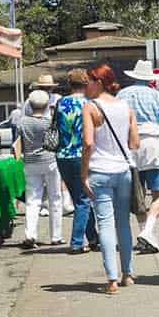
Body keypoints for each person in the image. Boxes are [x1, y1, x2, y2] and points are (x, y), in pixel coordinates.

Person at [81, 64, 140, 294]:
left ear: (99, 82)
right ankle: (127, 273)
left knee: (104, 223)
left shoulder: (91, 107)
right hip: (122, 170)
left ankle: (111, 279)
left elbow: (88, 143)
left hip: (100, 170)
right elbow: (134, 143)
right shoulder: (126, 107)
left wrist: (83, 173)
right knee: (123, 222)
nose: (86, 85)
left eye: (89, 81)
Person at [119, 60, 159, 253]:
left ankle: (143, 231)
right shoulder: (158, 96)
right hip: (154, 143)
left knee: (137, 194)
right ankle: (148, 231)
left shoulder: (122, 94)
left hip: (130, 144)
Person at [54, 69, 99, 254]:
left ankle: (93, 237)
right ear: (86, 83)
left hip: (62, 155)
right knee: (83, 200)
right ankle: (76, 241)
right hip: (82, 154)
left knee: (79, 198)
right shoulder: (89, 104)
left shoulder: (59, 103)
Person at [13, 89, 63, 248]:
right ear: (47, 104)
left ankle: (30, 234)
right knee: (55, 198)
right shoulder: (49, 122)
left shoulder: (23, 122)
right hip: (50, 161)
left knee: (32, 200)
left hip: (30, 162)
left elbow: (18, 139)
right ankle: (56, 235)